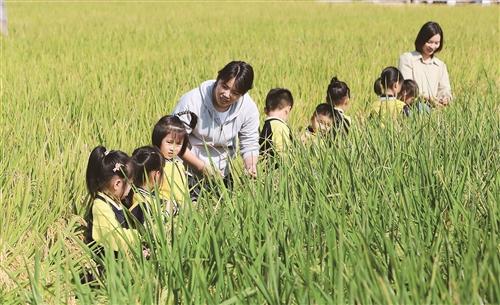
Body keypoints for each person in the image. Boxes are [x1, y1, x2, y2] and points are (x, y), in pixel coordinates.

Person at [172, 61, 260, 199]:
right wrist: (202, 167)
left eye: (235, 93)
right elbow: (174, 141)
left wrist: (250, 166)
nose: (226, 94)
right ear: (218, 79)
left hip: (222, 174)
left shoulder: (248, 109)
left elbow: (250, 142)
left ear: (243, 94)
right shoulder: (192, 101)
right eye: (224, 86)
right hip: (187, 173)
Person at [84, 146, 140, 256]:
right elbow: (114, 238)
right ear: (117, 184)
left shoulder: (116, 201)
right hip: (107, 268)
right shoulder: (100, 206)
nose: (131, 189)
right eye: (130, 184)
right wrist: (138, 235)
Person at [398, 21, 452, 107]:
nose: (432, 46)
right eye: (429, 42)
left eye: (436, 43)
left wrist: (445, 98)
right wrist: (429, 99)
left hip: (435, 109)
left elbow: (445, 89)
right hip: (413, 107)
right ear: (422, 40)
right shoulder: (407, 59)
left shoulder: (440, 65)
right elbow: (408, 89)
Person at [151, 115, 190, 208]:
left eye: (178, 144)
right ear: (159, 139)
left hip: (182, 214)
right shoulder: (155, 165)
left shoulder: (179, 165)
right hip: (164, 211)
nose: (173, 148)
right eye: (169, 142)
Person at [129, 146, 165, 227]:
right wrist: (167, 213)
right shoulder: (142, 201)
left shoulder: (133, 194)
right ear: (157, 175)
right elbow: (149, 231)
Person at [259, 88, 294, 162]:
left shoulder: (268, 125)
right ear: (287, 110)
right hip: (279, 171)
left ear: (265, 110)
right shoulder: (279, 126)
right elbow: (282, 152)